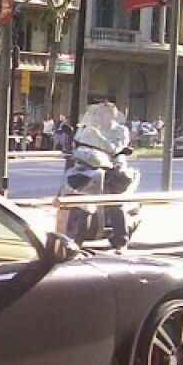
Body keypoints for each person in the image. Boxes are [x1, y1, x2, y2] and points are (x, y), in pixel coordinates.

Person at [73, 98, 133, 251]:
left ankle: (121, 240)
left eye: (104, 114)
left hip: (114, 167)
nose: (101, 117)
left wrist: (99, 137)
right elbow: (82, 142)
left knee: (114, 202)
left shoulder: (121, 130)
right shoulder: (92, 128)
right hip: (95, 165)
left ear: (112, 116)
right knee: (86, 199)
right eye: (99, 114)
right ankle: (76, 239)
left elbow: (115, 149)